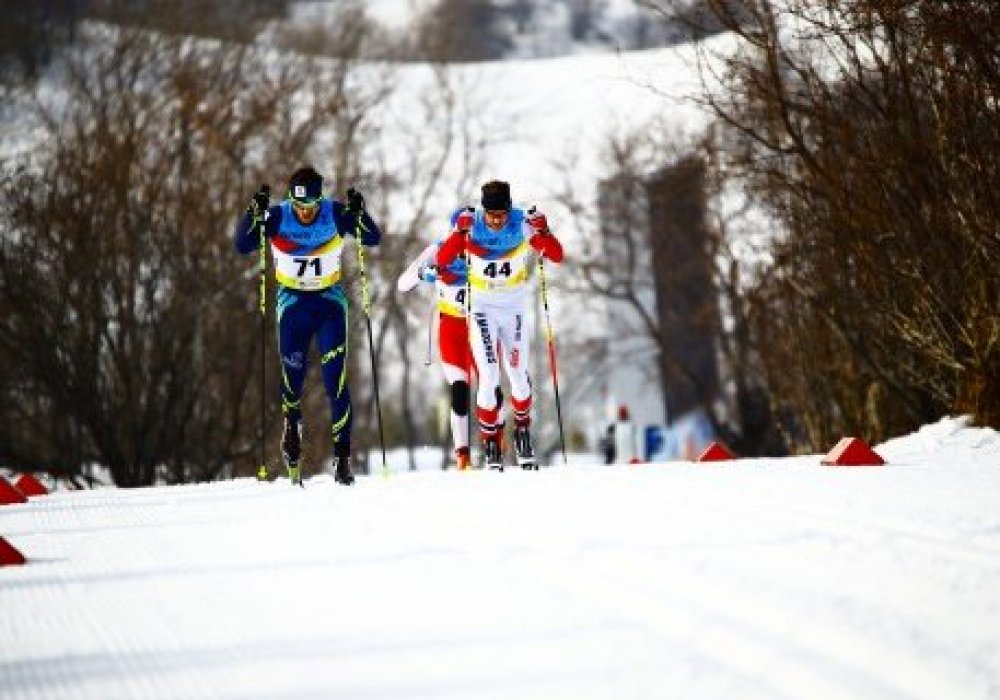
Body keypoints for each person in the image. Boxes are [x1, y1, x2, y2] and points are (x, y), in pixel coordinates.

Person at [234, 165, 381, 486]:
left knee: (335, 382)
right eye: (300, 207)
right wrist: (252, 213)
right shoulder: (277, 216)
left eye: (310, 207)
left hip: (328, 303)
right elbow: (242, 245)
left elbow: (373, 238)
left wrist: (361, 213)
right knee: (293, 382)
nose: (304, 213)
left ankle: (342, 459)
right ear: (290, 201)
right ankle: (292, 427)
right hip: (292, 306)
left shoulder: (335, 213)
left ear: (320, 200)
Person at [435, 180, 564, 470]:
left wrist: (543, 231)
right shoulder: (471, 223)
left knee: (518, 376)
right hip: (481, 306)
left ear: (509, 209)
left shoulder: (521, 223)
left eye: (501, 214)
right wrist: (459, 232)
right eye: (491, 214)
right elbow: (443, 260)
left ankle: (522, 432)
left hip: (513, 305)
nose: (496, 220)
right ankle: (490, 441)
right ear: (484, 210)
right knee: (489, 375)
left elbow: (556, 255)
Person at [396, 240, 475, 470]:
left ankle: (495, 448)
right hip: (452, 329)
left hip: (481, 326)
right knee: (460, 386)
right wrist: (424, 273)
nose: (462, 247)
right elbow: (402, 283)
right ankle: (462, 456)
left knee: (490, 387)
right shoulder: (439, 248)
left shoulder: (485, 244)